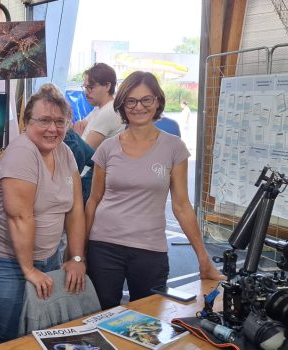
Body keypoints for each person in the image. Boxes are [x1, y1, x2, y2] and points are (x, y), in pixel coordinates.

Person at [84, 71, 223, 310]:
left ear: (157, 101)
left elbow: (182, 206)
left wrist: (203, 258)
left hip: (150, 250)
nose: (139, 107)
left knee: (148, 318)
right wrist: (79, 253)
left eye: (146, 99)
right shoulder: (107, 148)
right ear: (122, 105)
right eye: (131, 101)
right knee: (101, 315)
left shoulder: (174, 147)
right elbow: (94, 201)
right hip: (104, 247)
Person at [0, 83, 86, 342]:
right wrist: (28, 269)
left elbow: (75, 209)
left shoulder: (65, 152)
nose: (53, 128)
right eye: (44, 120)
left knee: (44, 329)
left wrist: (77, 258)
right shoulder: (22, 153)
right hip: (6, 262)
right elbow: (20, 217)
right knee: (15, 336)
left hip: (49, 257)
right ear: (27, 122)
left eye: (60, 121)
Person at [74, 63, 123, 150]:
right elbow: (79, 126)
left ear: (107, 86)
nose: (86, 92)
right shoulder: (99, 108)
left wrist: (76, 137)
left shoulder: (108, 112)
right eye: (85, 87)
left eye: (90, 87)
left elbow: (83, 152)